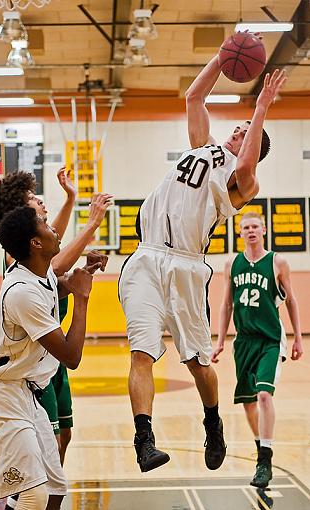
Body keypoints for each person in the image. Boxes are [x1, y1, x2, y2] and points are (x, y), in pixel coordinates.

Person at [119, 51, 287, 473]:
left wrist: (261, 107)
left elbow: (247, 159)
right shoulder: (203, 149)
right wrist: (221, 55)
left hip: (186, 266)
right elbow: (195, 98)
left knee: (197, 363)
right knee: (141, 352)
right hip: (145, 257)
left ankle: (212, 422)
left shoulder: (242, 181)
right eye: (238, 126)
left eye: (245, 131)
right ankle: (144, 440)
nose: (237, 130)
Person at [0, 169, 110, 509]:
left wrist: (80, 275)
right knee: (33, 490)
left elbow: (57, 270)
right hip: (8, 386)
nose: (40, 202)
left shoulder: (35, 261)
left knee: (53, 484)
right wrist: (92, 224)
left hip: (38, 370)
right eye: (33, 200)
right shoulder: (22, 272)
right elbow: (72, 354)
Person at [211, 212, 303, 488]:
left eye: (255, 226)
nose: (251, 230)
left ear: (263, 230)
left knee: (264, 394)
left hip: (271, 340)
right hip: (244, 341)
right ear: (240, 232)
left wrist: (298, 337)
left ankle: (264, 458)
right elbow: (226, 304)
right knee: (249, 401)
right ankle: (261, 445)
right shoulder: (232, 264)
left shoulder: (277, 262)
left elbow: (292, 302)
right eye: (246, 227)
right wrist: (219, 340)